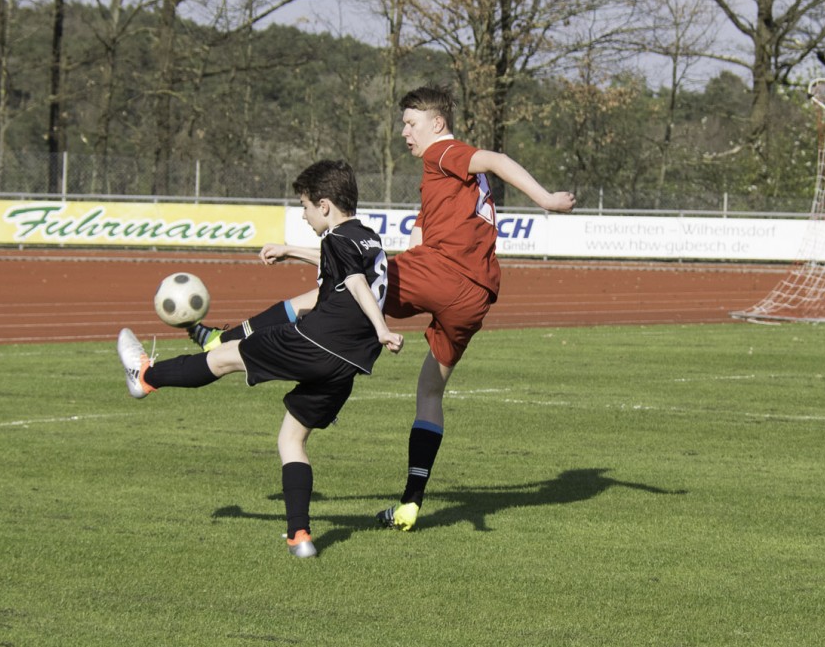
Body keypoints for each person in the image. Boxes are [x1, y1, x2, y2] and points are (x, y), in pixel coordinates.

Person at [189, 85, 576, 533]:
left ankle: (223, 339)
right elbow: (407, 244)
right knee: (429, 390)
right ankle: (410, 504)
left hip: (444, 272)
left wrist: (546, 200)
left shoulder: (443, 153)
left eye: (411, 123)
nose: (405, 133)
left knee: (333, 291)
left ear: (437, 123)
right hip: (477, 294)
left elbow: (494, 159)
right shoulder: (444, 185)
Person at [117, 159, 404, 558]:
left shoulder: (337, 240)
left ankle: (146, 376)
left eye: (305, 207)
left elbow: (354, 280)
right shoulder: (367, 238)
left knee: (222, 358)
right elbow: (342, 265)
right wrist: (290, 251)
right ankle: (300, 537)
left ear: (324, 206)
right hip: (346, 364)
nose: (303, 215)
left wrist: (382, 328)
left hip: (313, 342)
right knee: (291, 439)